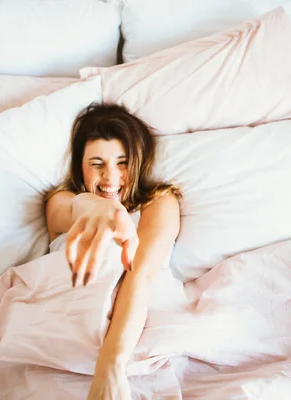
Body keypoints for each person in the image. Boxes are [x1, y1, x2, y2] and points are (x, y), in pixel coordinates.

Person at [45, 103, 181, 399]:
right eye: (97, 163)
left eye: (122, 162)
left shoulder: (159, 204)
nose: (110, 177)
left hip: (130, 333)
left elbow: (140, 276)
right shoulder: (62, 201)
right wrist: (98, 207)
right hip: (58, 325)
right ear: (80, 165)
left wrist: (110, 365)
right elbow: (69, 209)